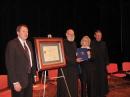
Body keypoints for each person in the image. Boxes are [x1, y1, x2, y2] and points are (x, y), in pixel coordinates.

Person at [5, 24, 36, 97]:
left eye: (27, 31)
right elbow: (10, 65)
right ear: (18, 33)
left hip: (29, 78)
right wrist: (15, 82)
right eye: (23, 31)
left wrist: (34, 74)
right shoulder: (12, 44)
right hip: (18, 80)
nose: (26, 33)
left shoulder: (29, 43)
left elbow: (32, 60)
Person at [57, 29, 78, 97]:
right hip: (65, 70)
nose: (72, 35)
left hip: (74, 70)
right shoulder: (62, 42)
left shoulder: (74, 43)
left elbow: (75, 54)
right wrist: (75, 60)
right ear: (66, 34)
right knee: (65, 89)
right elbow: (63, 56)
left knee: (73, 88)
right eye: (70, 34)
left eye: (73, 34)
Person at [91, 30, 109, 97]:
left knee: (103, 81)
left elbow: (106, 54)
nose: (99, 37)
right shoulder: (91, 43)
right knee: (96, 81)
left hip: (102, 66)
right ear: (95, 35)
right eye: (97, 35)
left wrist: (107, 64)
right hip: (94, 66)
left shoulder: (104, 43)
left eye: (100, 35)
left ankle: (103, 94)